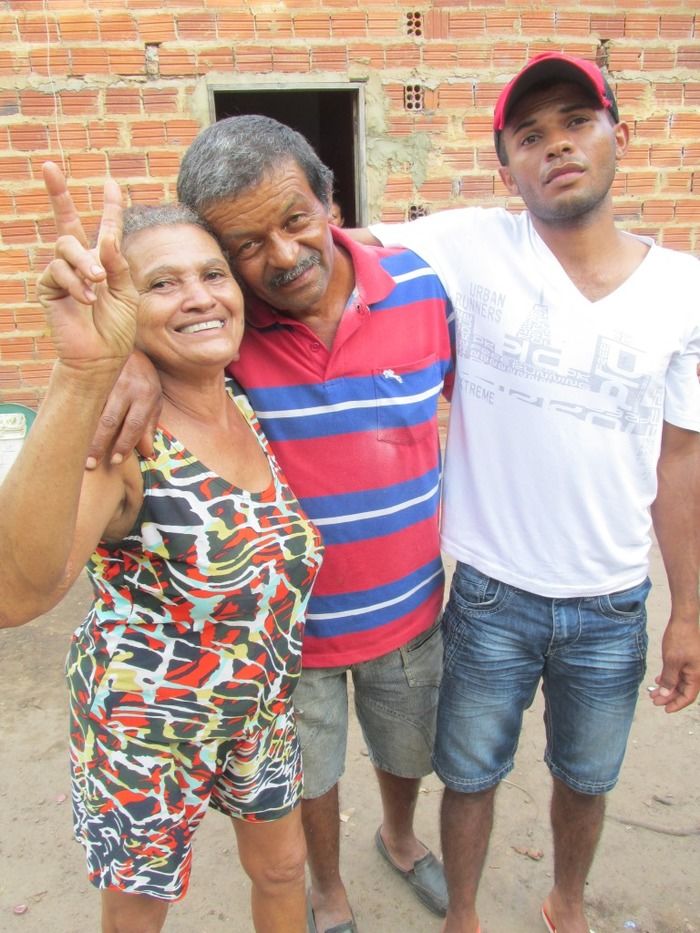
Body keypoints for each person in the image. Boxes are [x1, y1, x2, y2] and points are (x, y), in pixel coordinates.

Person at [83, 115, 454, 933]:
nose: (280, 256)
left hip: (408, 607)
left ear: (332, 201)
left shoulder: (422, 286)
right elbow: (162, 324)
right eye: (246, 244)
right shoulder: (230, 320)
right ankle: (326, 887)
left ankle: (398, 838)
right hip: (291, 635)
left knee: (407, 750)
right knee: (308, 775)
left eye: (294, 220)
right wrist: (129, 363)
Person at [364, 52, 700, 933]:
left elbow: (679, 462)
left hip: (611, 599)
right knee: (470, 770)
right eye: (530, 135)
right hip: (489, 591)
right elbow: (327, 243)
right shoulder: (470, 244)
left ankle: (567, 902)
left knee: (587, 777)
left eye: (577, 123)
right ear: (504, 164)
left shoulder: (685, 291)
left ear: (619, 135)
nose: (556, 146)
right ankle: (464, 913)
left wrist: (688, 610)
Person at [0, 163, 324, 932]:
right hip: (146, 731)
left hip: (259, 709)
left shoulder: (243, 394)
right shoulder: (124, 442)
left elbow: (339, 250)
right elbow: (14, 594)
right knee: (142, 912)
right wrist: (86, 373)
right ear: (122, 306)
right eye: (163, 284)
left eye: (213, 272)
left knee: (282, 869)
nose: (201, 296)